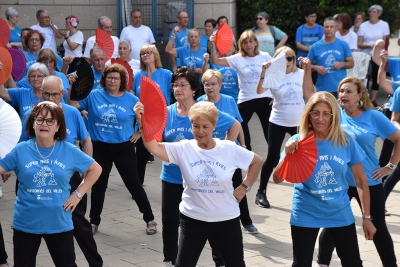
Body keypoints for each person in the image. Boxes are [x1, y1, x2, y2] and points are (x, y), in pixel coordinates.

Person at [134, 100, 263, 267]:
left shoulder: (228, 148)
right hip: (193, 218)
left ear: (214, 126)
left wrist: (244, 187)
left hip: (226, 218)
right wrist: (142, 122)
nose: (200, 131)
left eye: (205, 126)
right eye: (196, 126)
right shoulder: (184, 148)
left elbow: (257, 162)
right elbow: (152, 146)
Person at [149, 67, 242, 266]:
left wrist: (225, 150)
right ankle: (170, 259)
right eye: (175, 85)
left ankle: (220, 260)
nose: (178, 89)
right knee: (170, 222)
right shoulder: (167, 113)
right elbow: (156, 142)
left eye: (183, 85)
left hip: (203, 180)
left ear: (193, 89)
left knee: (211, 223)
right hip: (172, 177)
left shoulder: (204, 110)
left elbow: (235, 125)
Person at [272, 92, 376, 267]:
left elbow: (360, 180)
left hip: (339, 212)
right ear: (309, 115)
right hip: (306, 212)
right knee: (301, 264)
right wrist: (287, 155)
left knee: (353, 263)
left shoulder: (345, 140)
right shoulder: (298, 141)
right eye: (315, 113)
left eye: (326, 113)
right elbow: (276, 179)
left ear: (333, 116)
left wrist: (367, 217)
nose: (320, 118)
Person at [0, 101, 102, 267]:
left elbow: (95, 169)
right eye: (39, 120)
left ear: (58, 126)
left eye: (50, 121)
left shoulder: (69, 150)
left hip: (59, 223)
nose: (44, 124)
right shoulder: (20, 150)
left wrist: (78, 194)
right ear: (32, 123)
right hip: (26, 223)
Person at [315, 77, 400, 267]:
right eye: (341, 91)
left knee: (377, 227)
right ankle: (323, 263)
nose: (343, 95)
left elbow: (398, 139)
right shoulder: (335, 114)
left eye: (349, 91)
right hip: (340, 182)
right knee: (331, 224)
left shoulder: (374, 117)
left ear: (360, 95)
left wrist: (390, 167)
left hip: (368, 182)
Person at [67, 64, 157, 236]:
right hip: (99, 147)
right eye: (109, 77)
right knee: (98, 186)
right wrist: (72, 85)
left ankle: (149, 218)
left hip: (124, 148)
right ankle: (94, 222)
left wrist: (138, 131)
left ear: (122, 80)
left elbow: (146, 119)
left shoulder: (131, 99)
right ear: (104, 79)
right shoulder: (93, 95)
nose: (112, 81)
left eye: (116, 78)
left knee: (134, 184)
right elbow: (72, 103)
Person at [198, 69, 259, 234]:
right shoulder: (200, 103)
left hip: (230, 149)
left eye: (213, 84)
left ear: (220, 85)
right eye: (207, 84)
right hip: (208, 152)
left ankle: (246, 221)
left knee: (237, 183)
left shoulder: (229, 100)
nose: (210, 87)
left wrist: (244, 145)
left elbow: (239, 125)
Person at [255, 48, 316, 208]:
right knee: (272, 157)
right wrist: (263, 71)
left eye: (290, 58)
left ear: (294, 59)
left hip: (299, 122)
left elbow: (311, 94)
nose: (287, 62)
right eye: (283, 59)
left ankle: (309, 193)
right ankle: (261, 192)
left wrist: (308, 69)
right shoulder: (273, 75)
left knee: (306, 156)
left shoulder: (301, 74)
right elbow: (259, 90)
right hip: (277, 121)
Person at [210, 29, 272, 150]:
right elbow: (216, 60)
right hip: (246, 98)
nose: (248, 45)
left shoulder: (264, 56)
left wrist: (275, 96)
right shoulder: (238, 58)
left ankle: (275, 158)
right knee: (239, 125)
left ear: (255, 43)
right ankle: (246, 150)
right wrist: (212, 45)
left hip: (264, 98)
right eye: (245, 42)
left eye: (250, 41)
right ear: (241, 45)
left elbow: (276, 74)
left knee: (269, 130)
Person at [131, 44, 172, 184]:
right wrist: (137, 129)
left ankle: (174, 183)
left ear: (155, 55)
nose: (145, 55)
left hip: (163, 121)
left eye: (149, 52)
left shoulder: (166, 74)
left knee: (170, 155)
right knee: (140, 158)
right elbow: (132, 98)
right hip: (144, 122)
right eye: (143, 53)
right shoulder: (138, 76)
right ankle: (138, 187)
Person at [308, 17, 354, 97]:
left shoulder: (343, 44)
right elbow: (306, 66)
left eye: (331, 27)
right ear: (323, 28)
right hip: (322, 88)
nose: (329, 29)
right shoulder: (315, 46)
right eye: (326, 27)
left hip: (341, 88)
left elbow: (351, 63)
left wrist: (342, 64)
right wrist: (316, 68)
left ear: (336, 28)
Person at [358, 4, 390, 107]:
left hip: (378, 55)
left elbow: (386, 41)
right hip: (365, 54)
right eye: (370, 11)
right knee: (365, 76)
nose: (371, 13)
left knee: (376, 75)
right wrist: (371, 45)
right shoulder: (363, 25)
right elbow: (359, 43)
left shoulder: (384, 25)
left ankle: (373, 99)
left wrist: (383, 52)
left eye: (374, 12)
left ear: (379, 14)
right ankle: (363, 97)